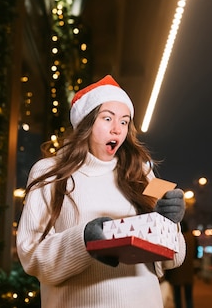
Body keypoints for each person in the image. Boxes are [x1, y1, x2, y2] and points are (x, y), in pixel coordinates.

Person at [16, 75, 187, 307]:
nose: (117, 129)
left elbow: (172, 260)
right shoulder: (50, 172)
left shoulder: (143, 173)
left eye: (125, 122)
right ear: (86, 123)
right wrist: (84, 240)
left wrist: (171, 223)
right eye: (107, 118)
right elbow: (31, 255)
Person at [165, 221, 197, 308]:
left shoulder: (175, 236)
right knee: (189, 296)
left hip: (177, 270)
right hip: (188, 271)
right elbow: (196, 254)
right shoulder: (192, 237)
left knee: (177, 296)